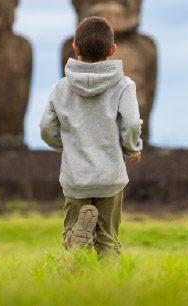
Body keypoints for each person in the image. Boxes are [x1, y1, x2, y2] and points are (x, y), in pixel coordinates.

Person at [39, 16, 143, 260]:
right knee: (108, 240)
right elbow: (129, 125)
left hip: (76, 177)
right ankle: (107, 292)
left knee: (72, 233)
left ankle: (77, 250)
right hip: (110, 177)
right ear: (112, 49)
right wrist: (131, 149)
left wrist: (67, 146)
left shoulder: (61, 88)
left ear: (75, 47)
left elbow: (45, 127)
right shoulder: (124, 86)